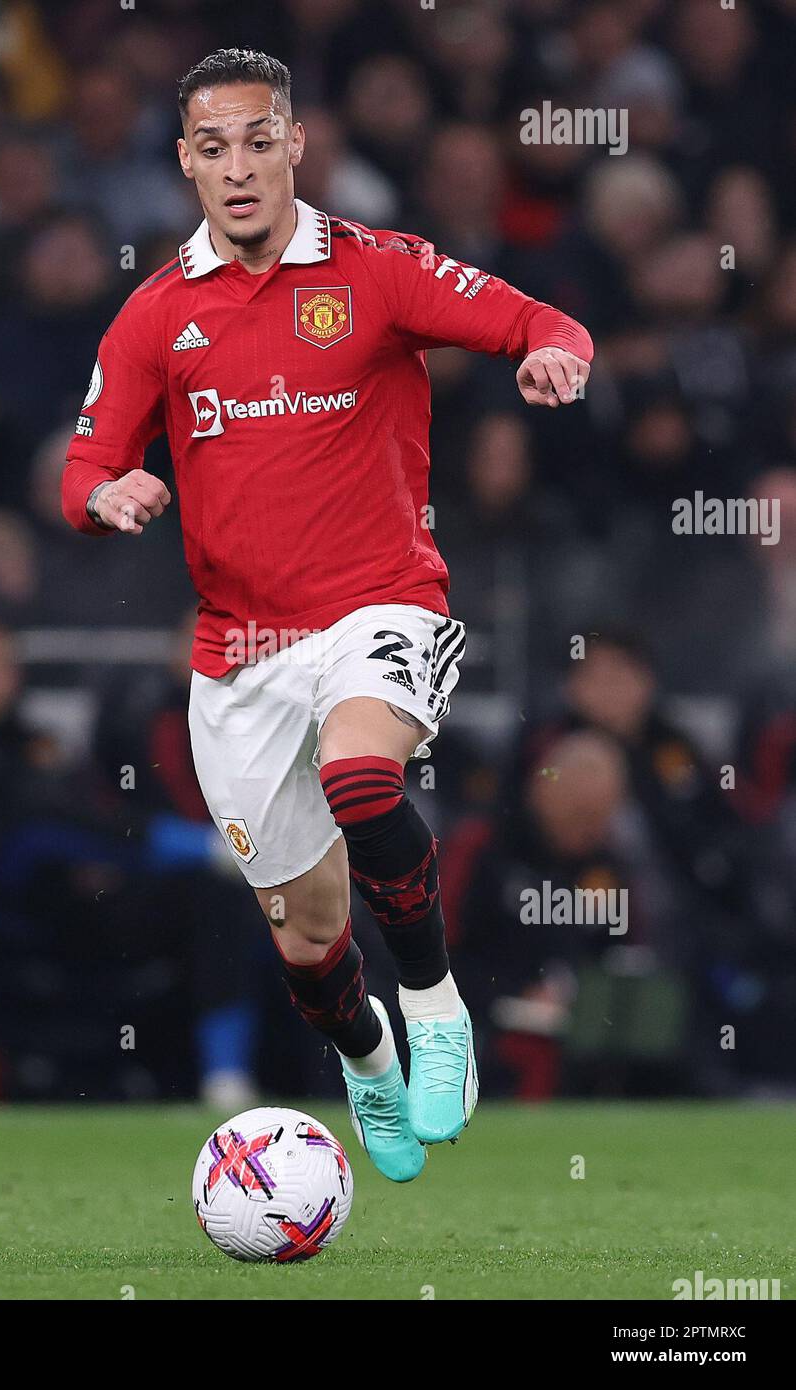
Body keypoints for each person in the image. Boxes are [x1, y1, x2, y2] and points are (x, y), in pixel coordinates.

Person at [61, 49, 593, 1182]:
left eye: (260, 140)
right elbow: (84, 463)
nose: (239, 166)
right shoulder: (156, 315)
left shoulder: (378, 268)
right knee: (307, 934)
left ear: (296, 144)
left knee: (363, 781)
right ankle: (365, 1057)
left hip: (380, 603)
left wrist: (552, 354)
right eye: (214, 147)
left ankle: (436, 1004)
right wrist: (109, 495)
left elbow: (535, 318)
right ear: (185, 164)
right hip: (239, 655)